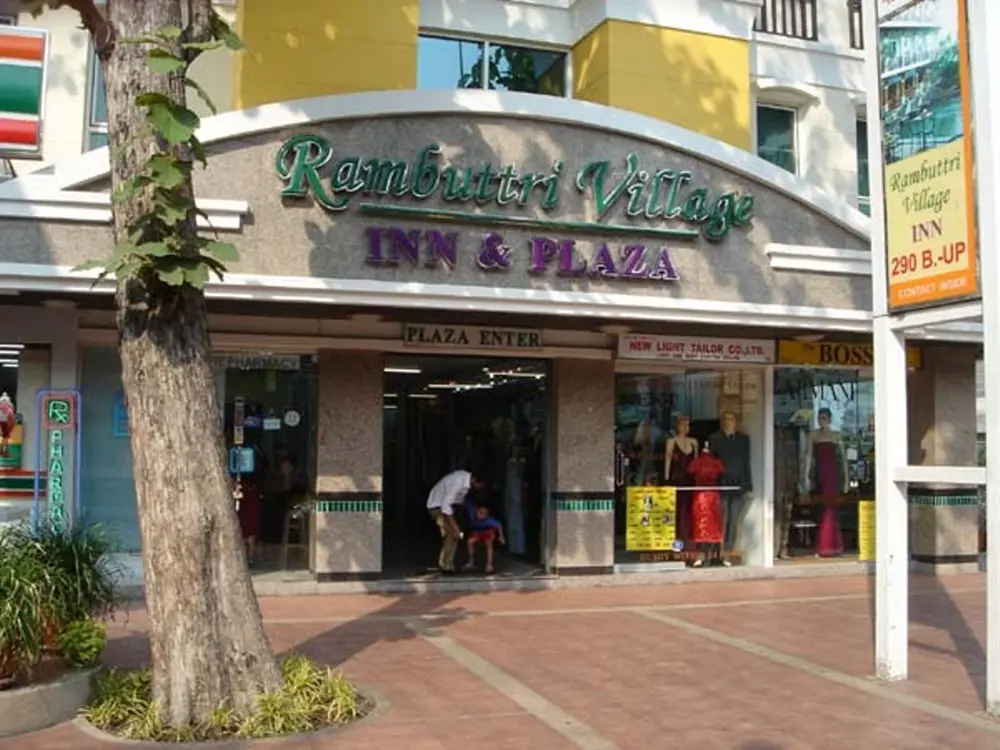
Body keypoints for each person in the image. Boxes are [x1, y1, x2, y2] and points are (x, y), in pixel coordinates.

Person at [426, 469, 485, 572]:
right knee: (452, 534)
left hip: (446, 507)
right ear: (474, 480)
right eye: (480, 486)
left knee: (455, 535)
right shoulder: (458, 482)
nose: (479, 488)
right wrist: (456, 528)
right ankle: (445, 565)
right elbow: (446, 508)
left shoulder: (465, 482)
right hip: (437, 507)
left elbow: (457, 503)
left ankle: (447, 563)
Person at [463, 504, 506, 574]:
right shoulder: (473, 517)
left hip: (487, 534)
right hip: (477, 534)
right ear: (477, 512)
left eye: (484, 514)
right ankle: (471, 562)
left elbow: (499, 525)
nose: (482, 515)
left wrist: (501, 537)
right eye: (480, 513)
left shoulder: (489, 521)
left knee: (489, 543)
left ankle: (489, 565)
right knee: (469, 542)